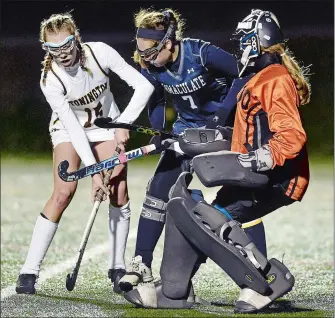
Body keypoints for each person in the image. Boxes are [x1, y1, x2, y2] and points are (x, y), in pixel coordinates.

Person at [123, 9, 311, 313]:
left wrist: (250, 161)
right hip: (256, 169)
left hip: (275, 175)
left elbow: (291, 137)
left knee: (209, 218)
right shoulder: (260, 77)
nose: (238, 48)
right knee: (184, 208)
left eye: (244, 40)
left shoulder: (274, 79)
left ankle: (265, 282)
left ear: (257, 40)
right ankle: (174, 291)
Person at [118, 7, 267, 292]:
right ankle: (141, 264)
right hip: (186, 132)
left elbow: (244, 75)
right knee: (158, 191)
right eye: (141, 53)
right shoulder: (152, 66)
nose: (145, 60)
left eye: (150, 53)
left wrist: (221, 115)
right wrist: (160, 131)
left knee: (239, 200)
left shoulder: (201, 53)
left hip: (224, 131)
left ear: (169, 42)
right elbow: (156, 101)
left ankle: (260, 271)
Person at [15, 12, 154, 295]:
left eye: (66, 46)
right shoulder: (50, 80)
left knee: (118, 190)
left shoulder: (100, 52)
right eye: (53, 50)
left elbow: (144, 86)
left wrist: (123, 123)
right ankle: (29, 270)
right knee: (63, 191)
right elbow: (74, 130)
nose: (62, 55)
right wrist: (93, 172)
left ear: (76, 38)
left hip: (106, 126)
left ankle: (117, 267)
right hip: (69, 131)